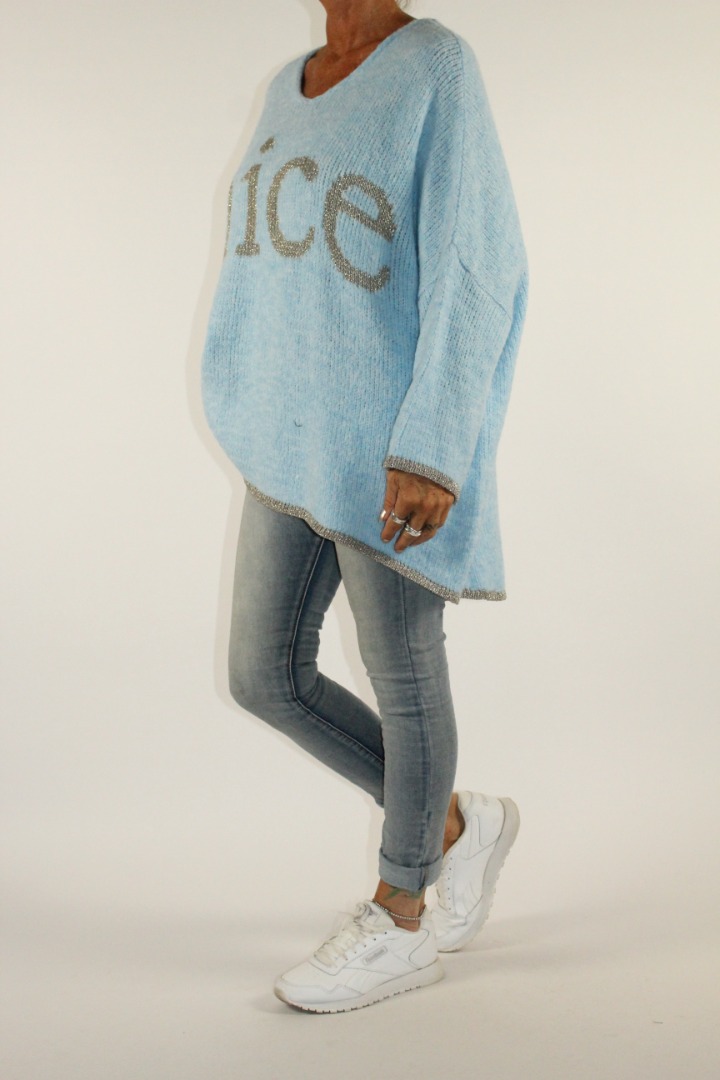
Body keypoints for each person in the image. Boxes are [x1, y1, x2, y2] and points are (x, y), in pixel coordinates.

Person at [200, 0, 529, 1013]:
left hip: (389, 442)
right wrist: (247, 389)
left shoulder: (435, 66)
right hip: (291, 439)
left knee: (403, 670)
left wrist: (433, 443)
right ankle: (453, 828)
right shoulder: (288, 84)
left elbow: (479, 262)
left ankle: (402, 915)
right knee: (264, 676)